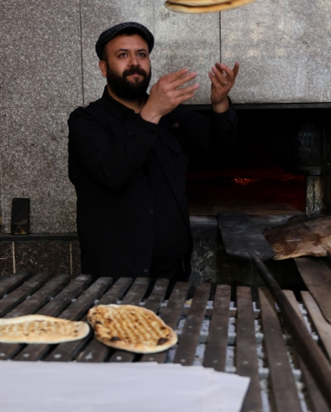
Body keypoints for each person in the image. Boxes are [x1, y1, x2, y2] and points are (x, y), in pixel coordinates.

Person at [68, 22, 240, 281]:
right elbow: (112, 172)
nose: (135, 62)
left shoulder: (172, 114)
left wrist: (219, 103)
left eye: (142, 54)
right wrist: (152, 112)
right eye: (122, 55)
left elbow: (220, 144)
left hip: (172, 274)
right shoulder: (87, 121)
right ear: (103, 68)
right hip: (115, 277)